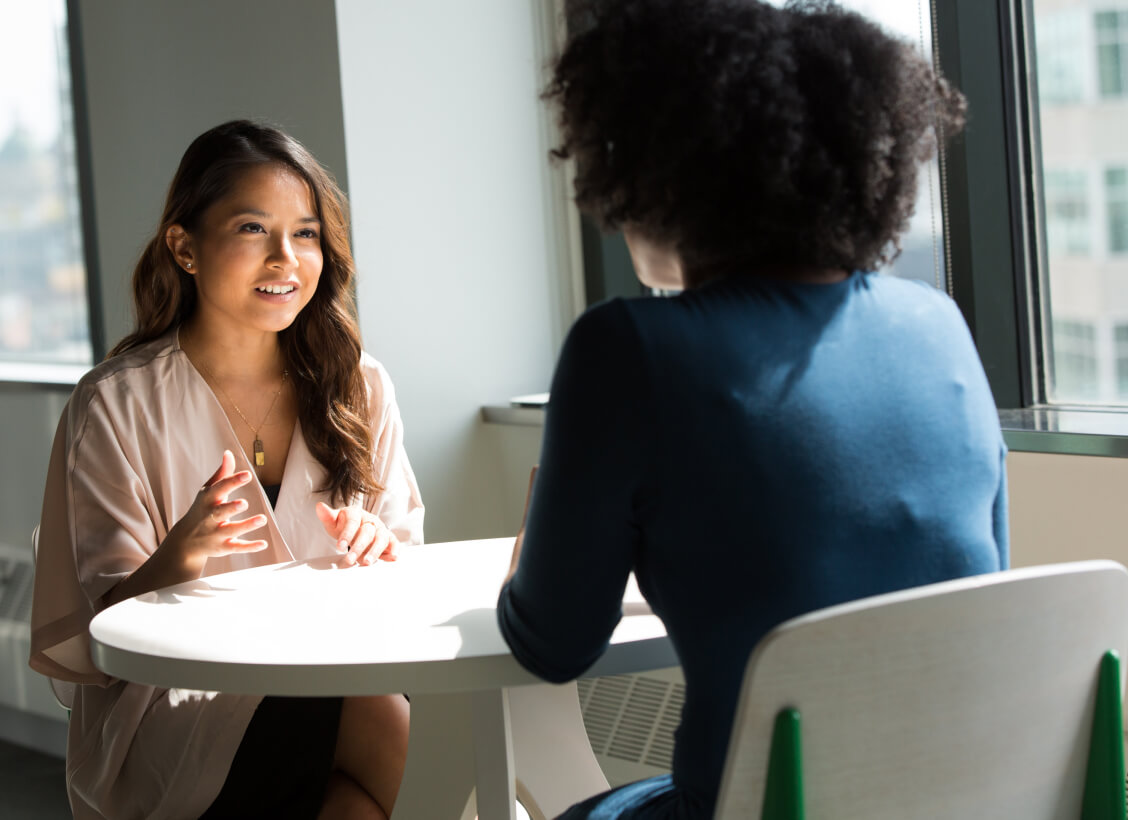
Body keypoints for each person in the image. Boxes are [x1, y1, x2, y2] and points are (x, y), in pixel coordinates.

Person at [496, 2, 1008, 818]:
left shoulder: (628, 347)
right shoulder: (938, 327)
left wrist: (535, 559)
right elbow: (976, 590)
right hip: (965, 800)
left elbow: (553, 645)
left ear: (659, 173)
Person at [29, 120, 424, 820]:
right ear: (184, 247)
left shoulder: (360, 386)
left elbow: (407, 569)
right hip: (173, 709)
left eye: (305, 234)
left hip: (338, 674)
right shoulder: (116, 403)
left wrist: (380, 548)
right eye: (252, 229)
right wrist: (174, 563)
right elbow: (101, 640)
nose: (286, 259)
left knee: (364, 773)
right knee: (381, 720)